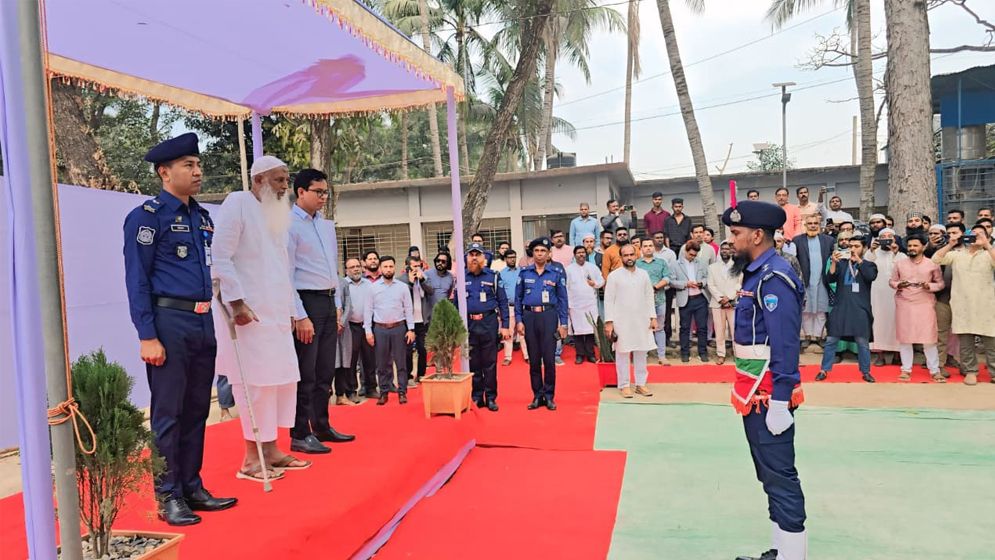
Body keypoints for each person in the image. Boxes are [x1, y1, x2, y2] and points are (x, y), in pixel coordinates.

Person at [123, 133, 236, 525]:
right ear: (164, 172)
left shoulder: (202, 217)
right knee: (168, 413)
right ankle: (167, 493)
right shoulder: (147, 218)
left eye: (198, 164)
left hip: (202, 322)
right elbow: (137, 279)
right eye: (188, 165)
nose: (198, 170)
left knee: (196, 410)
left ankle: (191, 485)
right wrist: (147, 334)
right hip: (168, 323)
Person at [213, 155, 309, 482]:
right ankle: (251, 460)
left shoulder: (276, 217)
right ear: (258, 181)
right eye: (279, 180)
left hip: (277, 317)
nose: (285, 187)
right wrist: (236, 302)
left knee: (280, 383)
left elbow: (283, 271)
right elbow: (220, 256)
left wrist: (295, 312)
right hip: (248, 317)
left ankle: (272, 450)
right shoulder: (238, 203)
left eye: (286, 180)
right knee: (255, 386)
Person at [723, 201, 807, 560]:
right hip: (752, 391)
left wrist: (779, 400)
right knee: (769, 476)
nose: (731, 241)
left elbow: (785, 343)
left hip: (768, 393)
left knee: (781, 478)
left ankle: (794, 556)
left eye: (736, 234)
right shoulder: (756, 273)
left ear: (757, 235)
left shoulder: (774, 278)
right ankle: (781, 550)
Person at [286, 168, 354, 453]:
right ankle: (300, 432)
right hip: (306, 302)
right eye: (318, 192)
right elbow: (286, 273)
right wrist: (299, 314)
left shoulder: (325, 226)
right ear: (301, 192)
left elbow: (333, 271)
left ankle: (322, 425)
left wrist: (337, 305)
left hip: (327, 301)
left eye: (326, 192)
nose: (324, 197)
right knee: (307, 372)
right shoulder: (288, 224)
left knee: (326, 369)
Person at [931, 223, 995, 385]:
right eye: (973, 234)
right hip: (962, 304)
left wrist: (986, 244)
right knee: (966, 341)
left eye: (980, 234)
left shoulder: (989, 254)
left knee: (991, 341)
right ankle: (970, 371)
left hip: (986, 304)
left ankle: (993, 372)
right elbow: (936, 259)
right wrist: (951, 243)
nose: (976, 237)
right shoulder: (957, 254)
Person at [516, 237, 569, 411]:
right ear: (533, 253)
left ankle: (549, 396)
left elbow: (563, 299)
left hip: (549, 316)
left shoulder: (555, 273)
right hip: (530, 317)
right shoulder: (524, 273)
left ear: (548, 254)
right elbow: (518, 299)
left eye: (543, 251)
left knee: (549, 359)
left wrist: (563, 324)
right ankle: (537, 396)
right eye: (537, 251)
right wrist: (518, 320)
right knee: (534, 360)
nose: (539, 254)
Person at [817, 234, 878, 383]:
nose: (852, 249)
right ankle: (824, 370)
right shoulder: (842, 263)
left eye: (856, 246)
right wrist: (833, 262)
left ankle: (866, 371)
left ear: (864, 248)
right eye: (850, 246)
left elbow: (871, 277)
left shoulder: (869, 264)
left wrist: (859, 261)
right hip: (840, 307)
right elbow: (830, 279)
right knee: (831, 340)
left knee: (862, 342)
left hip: (860, 309)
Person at [890, 234, 945, 383]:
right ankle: (906, 370)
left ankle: (935, 371)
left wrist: (929, 286)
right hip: (905, 304)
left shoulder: (932, 264)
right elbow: (892, 281)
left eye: (915, 245)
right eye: (910, 246)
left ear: (924, 246)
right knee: (905, 339)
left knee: (929, 339)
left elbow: (940, 284)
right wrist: (899, 285)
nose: (912, 248)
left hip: (925, 304)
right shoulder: (900, 263)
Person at [605, 244, 657, 397]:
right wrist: (609, 322)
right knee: (623, 352)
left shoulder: (644, 275)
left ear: (637, 255)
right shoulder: (614, 276)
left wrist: (652, 317)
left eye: (631, 255)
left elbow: (649, 296)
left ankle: (641, 384)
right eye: (625, 255)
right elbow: (608, 300)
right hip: (622, 321)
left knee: (642, 351)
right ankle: (624, 385)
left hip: (642, 320)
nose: (629, 258)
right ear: (621, 258)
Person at [464, 243, 510, 411]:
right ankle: (477, 396)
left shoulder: (493, 276)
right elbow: (455, 304)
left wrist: (505, 325)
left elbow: (503, 302)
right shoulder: (462, 278)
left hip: (488, 322)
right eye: (471, 255)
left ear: (484, 258)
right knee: (473, 363)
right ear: (467, 258)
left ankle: (491, 397)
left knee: (489, 363)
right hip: (469, 325)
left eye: (478, 254)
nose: (474, 257)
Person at [364, 256, 416, 404]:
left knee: (401, 363)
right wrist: (368, 331)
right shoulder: (372, 288)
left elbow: (408, 309)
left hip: (399, 328)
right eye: (385, 267)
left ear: (394, 267)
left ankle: (402, 391)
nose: (388, 269)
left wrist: (411, 329)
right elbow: (368, 310)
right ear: (381, 268)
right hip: (380, 329)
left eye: (391, 266)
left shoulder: (402, 287)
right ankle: (384, 392)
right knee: (381, 364)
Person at [866, 227, 906, 365]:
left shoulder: (901, 255)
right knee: (878, 323)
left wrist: (895, 253)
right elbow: (866, 265)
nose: (887, 238)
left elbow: (904, 269)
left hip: (896, 294)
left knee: (897, 322)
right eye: (884, 236)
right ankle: (880, 355)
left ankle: (897, 354)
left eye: (890, 236)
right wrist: (871, 250)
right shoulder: (872, 253)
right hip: (876, 294)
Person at [793, 214, 834, 350]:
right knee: (806, 310)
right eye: (810, 223)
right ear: (805, 225)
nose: (813, 226)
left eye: (815, 223)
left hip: (822, 280)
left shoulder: (828, 240)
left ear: (819, 225)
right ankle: (808, 336)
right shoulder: (797, 240)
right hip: (805, 280)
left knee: (821, 310)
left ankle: (818, 336)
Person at [340, 258, 375, 401]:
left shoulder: (368, 284)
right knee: (351, 361)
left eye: (357, 266)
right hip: (350, 327)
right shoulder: (342, 284)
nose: (356, 269)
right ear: (346, 270)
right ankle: (351, 390)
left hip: (367, 326)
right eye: (352, 267)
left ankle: (370, 388)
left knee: (369, 359)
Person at [671, 241, 710, 363]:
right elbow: (671, 281)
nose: (693, 257)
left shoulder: (701, 263)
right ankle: (684, 353)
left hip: (700, 298)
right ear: (685, 252)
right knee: (685, 328)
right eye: (691, 254)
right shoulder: (675, 264)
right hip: (685, 299)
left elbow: (707, 278)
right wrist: (685, 284)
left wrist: (701, 283)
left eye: (695, 255)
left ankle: (702, 352)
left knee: (702, 327)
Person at [566, 245, 605, 363]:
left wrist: (595, 284)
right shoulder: (569, 269)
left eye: (583, 252)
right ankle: (579, 354)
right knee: (577, 331)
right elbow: (565, 286)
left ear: (586, 254)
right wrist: (568, 303)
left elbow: (601, 281)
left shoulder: (592, 267)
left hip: (590, 303)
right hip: (575, 304)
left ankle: (590, 354)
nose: (581, 254)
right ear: (574, 255)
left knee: (590, 329)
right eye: (578, 253)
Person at [635, 239, 671, 365]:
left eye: (650, 246)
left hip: (659, 300)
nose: (648, 248)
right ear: (641, 249)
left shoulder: (661, 262)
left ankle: (662, 356)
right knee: (643, 328)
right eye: (645, 246)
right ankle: (642, 356)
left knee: (660, 328)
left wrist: (655, 287)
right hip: (641, 302)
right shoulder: (636, 264)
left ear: (654, 248)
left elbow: (667, 277)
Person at [707, 241, 741, 365]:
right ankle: (721, 354)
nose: (724, 251)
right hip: (717, 303)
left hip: (733, 302)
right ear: (719, 251)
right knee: (719, 330)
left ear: (731, 251)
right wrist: (721, 298)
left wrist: (730, 297)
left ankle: (738, 354)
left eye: (727, 249)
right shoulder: (712, 267)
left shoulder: (738, 266)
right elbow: (710, 285)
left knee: (735, 330)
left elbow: (739, 283)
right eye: (723, 249)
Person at [400, 255, 431, 385]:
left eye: (419, 266)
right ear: (407, 267)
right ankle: (408, 377)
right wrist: (411, 283)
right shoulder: (401, 281)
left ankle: (421, 374)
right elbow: (404, 298)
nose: (417, 269)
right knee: (407, 350)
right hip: (408, 321)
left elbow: (431, 291)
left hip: (422, 320)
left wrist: (422, 280)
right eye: (414, 266)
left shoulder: (424, 277)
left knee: (422, 349)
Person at [499, 249, 529, 365]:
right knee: (509, 332)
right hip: (509, 307)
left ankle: (527, 355)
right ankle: (507, 357)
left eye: (514, 257)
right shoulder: (501, 273)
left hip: (521, 306)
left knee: (523, 332)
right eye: (510, 257)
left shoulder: (522, 272)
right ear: (505, 259)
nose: (512, 259)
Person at [652, 231, 679, 347]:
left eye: (661, 237)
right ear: (653, 239)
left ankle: (667, 338)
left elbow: (672, 272)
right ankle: (652, 340)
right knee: (651, 315)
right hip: (650, 290)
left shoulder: (670, 253)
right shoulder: (649, 251)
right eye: (657, 237)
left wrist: (663, 284)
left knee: (666, 314)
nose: (659, 239)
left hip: (666, 289)